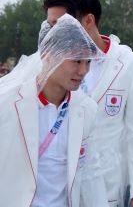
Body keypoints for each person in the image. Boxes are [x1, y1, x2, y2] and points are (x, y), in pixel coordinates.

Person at [43, 0, 133, 207]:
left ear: (88, 20)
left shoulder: (131, 67)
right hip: (53, 188)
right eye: (49, 26)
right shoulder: (49, 63)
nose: (52, 34)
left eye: (59, 25)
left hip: (106, 189)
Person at [0, 14, 108, 205]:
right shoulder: (8, 103)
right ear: (48, 57)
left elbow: (92, 173)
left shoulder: (86, 109)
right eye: (76, 60)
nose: (83, 71)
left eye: (88, 62)